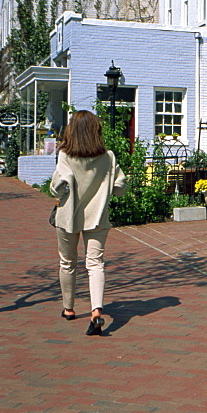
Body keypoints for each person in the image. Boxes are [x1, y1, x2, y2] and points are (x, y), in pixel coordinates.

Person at [50, 110, 127, 336]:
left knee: (67, 262)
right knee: (95, 263)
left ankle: (69, 308)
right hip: (98, 217)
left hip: (68, 217)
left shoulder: (65, 155)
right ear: (95, 131)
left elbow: (56, 186)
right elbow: (121, 188)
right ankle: (96, 310)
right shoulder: (108, 157)